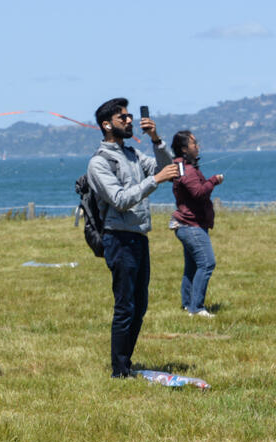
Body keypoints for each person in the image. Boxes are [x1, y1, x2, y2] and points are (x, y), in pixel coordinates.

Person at [87, 98, 178, 378]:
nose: (129, 121)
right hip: (118, 239)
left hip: (139, 237)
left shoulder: (134, 155)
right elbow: (119, 199)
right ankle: (119, 370)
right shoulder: (99, 163)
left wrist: (156, 139)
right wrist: (155, 180)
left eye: (129, 117)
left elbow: (169, 169)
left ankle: (126, 363)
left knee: (139, 306)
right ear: (106, 125)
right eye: (122, 118)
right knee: (125, 305)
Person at [170, 130, 224, 318]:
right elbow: (198, 192)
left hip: (188, 224)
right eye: (194, 144)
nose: (197, 146)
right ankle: (197, 308)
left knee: (192, 266)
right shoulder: (186, 170)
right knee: (207, 263)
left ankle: (187, 304)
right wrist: (214, 181)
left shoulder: (183, 167)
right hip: (190, 226)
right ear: (184, 149)